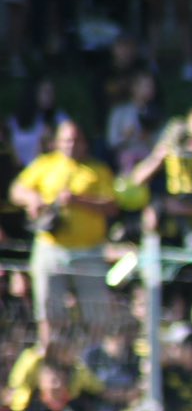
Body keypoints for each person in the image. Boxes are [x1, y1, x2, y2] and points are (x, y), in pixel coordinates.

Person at [8, 120, 117, 340]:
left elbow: (112, 206)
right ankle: (50, 359)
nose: (71, 145)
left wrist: (78, 201)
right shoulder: (45, 165)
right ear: (57, 142)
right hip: (51, 248)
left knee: (96, 315)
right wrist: (33, 198)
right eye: (67, 140)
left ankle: (92, 363)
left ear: (85, 143)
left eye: (76, 140)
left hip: (89, 251)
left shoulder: (98, 170)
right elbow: (16, 190)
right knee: (49, 313)